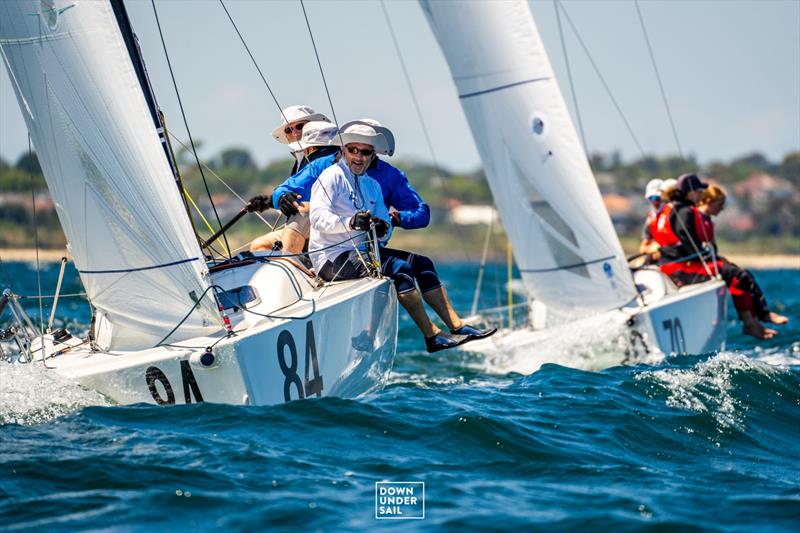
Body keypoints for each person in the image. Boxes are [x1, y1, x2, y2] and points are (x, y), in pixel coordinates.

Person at [309, 123, 495, 353]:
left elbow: (384, 226)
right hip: (332, 259)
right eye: (352, 150)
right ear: (344, 150)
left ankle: (457, 326)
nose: (358, 157)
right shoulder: (331, 176)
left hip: (363, 253)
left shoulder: (372, 185)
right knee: (400, 268)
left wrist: (381, 227)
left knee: (423, 263)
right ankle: (432, 336)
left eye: (365, 152)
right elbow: (317, 218)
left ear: (372, 155)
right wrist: (350, 222)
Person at [652, 174, 780, 339]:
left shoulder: (675, 208)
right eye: (699, 191)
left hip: (679, 265)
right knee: (737, 275)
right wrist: (704, 257)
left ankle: (755, 320)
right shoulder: (683, 211)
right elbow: (687, 243)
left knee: (735, 270)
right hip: (682, 268)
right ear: (691, 192)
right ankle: (751, 323)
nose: (701, 194)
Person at [696, 185, 788, 336]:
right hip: (696, 265)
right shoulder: (694, 216)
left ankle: (760, 315)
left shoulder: (707, 220)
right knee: (738, 275)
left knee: (745, 274)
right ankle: (753, 321)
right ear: (708, 201)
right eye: (719, 205)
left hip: (708, 260)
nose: (722, 209)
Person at [250, 120, 339, 253]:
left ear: (309, 148)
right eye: (289, 129)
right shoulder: (355, 162)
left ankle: (291, 264)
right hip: (349, 228)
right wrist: (269, 201)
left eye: (299, 127)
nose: (295, 132)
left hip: (325, 228)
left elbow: (287, 189)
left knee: (259, 245)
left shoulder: (319, 163)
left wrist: (271, 200)